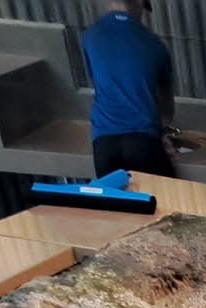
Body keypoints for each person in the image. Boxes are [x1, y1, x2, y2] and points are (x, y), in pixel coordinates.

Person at [81, 0, 176, 178]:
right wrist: (161, 133)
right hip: (143, 143)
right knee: (167, 194)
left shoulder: (89, 36)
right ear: (139, 4)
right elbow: (167, 110)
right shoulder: (155, 44)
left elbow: (98, 83)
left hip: (103, 146)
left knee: (115, 197)